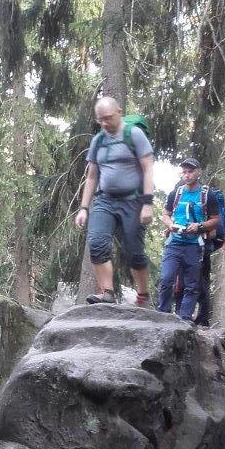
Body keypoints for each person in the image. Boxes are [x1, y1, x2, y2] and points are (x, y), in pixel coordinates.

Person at [74, 96, 155, 307]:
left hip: (133, 201)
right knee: (97, 243)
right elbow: (92, 177)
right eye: (100, 119)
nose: (104, 123)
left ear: (119, 112)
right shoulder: (98, 141)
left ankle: (143, 295)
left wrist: (147, 203)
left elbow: (148, 169)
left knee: (134, 252)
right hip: (105, 200)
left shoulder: (134, 135)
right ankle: (107, 292)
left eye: (108, 118)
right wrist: (83, 208)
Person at [158, 158, 221, 322]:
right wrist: (170, 225)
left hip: (194, 245)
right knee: (166, 279)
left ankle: (184, 318)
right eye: (184, 172)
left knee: (192, 285)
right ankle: (162, 314)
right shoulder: (176, 193)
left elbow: (216, 219)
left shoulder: (207, 195)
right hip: (174, 243)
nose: (187, 175)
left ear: (199, 171)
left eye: (191, 171)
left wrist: (199, 226)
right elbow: (166, 214)